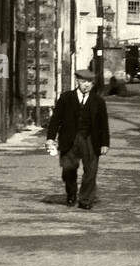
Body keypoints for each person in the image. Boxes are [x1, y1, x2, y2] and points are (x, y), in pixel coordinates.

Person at [46, 68, 110, 210]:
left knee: (91, 171)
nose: (86, 85)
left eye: (89, 82)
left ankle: (85, 200)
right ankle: (71, 194)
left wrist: (105, 143)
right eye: (83, 81)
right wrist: (50, 138)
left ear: (93, 84)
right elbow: (56, 119)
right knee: (68, 169)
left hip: (91, 140)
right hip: (69, 139)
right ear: (77, 81)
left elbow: (103, 124)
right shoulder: (66, 98)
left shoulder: (98, 101)